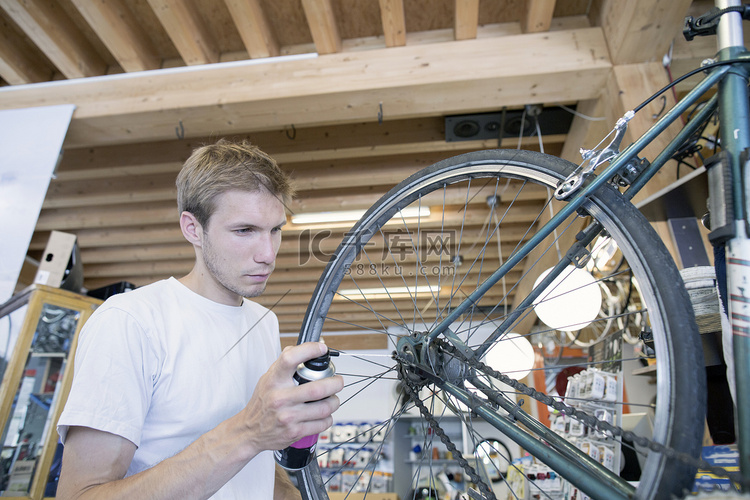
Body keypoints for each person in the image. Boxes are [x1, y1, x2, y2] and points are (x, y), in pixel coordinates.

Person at [56, 139, 343, 499]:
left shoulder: (263, 321)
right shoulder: (130, 321)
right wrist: (248, 431)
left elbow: (249, 467)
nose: (268, 254)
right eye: (244, 231)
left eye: (275, 230)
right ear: (193, 228)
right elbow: (79, 496)